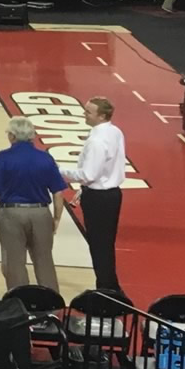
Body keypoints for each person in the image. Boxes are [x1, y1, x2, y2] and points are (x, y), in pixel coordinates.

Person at [0, 117, 70, 293]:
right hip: (41, 213)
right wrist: (56, 218)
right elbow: (58, 192)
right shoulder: (46, 158)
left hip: (11, 214)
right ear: (32, 136)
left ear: (12, 136)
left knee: (14, 263)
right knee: (45, 261)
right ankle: (51, 305)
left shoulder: (2, 158)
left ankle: (20, 304)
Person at [62, 96, 128, 298]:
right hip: (112, 194)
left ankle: (107, 289)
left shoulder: (96, 142)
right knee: (105, 243)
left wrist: (57, 170)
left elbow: (88, 175)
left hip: (98, 198)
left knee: (99, 244)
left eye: (88, 111)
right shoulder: (115, 132)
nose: (84, 113)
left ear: (101, 116)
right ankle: (110, 285)